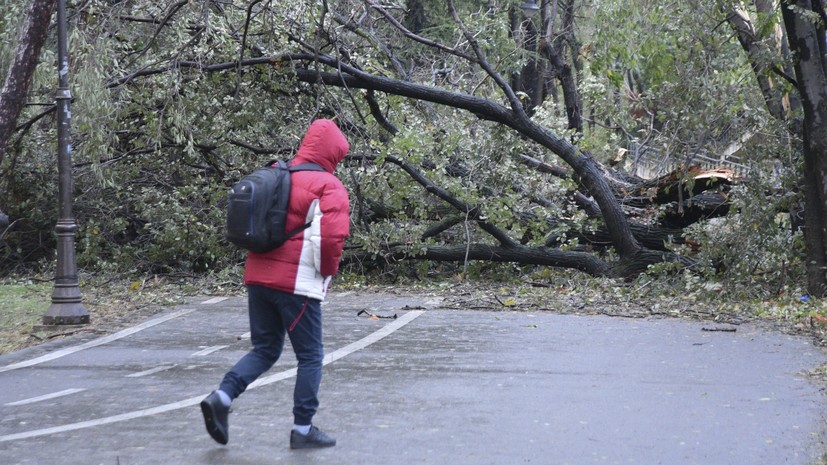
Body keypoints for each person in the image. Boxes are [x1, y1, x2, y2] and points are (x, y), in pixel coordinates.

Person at [201, 118, 351, 449]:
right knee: (311, 355)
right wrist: (326, 274)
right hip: (295, 284)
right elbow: (332, 238)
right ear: (333, 154)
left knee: (266, 348)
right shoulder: (329, 186)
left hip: (257, 276)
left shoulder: (276, 173)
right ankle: (302, 429)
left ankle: (222, 397)